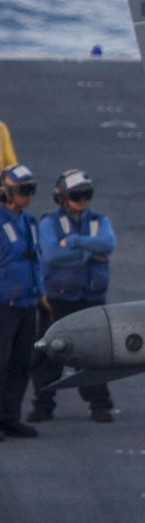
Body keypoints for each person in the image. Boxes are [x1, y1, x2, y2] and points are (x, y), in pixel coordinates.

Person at [31, 169, 115, 422]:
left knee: (95, 354)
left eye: (86, 195)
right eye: (76, 196)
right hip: (58, 298)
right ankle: (43, 404)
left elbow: (108, 244)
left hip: (91, 297)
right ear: (62, 197)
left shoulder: (100, 221)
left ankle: (99, 404)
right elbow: (52, 254)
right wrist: (89, 252)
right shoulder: (49, 223)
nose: (82, 201)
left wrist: (74, 242)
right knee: (48, 354)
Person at [0, 166, 42, 440]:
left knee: (20, 364)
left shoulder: (30, 221)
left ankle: (9, 417)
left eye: (31, 190)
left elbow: (36, 258)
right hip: (4, 304)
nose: (28, 196)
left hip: (28, 302)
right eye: (23, 190)